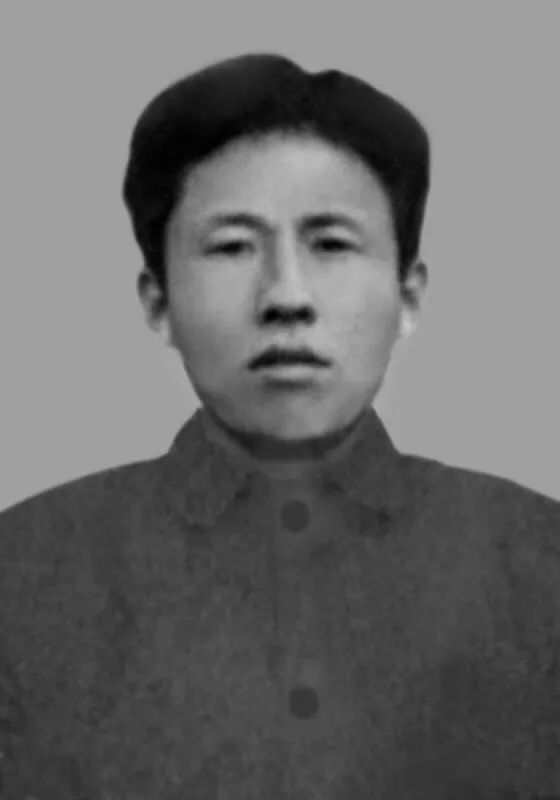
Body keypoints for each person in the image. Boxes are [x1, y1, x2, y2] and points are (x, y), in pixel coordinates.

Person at [0, 52, 559, 799]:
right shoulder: (22, 571)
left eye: (331, 243)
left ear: (409, 295)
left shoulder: (539, 560)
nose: (286, 296)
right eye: (233, 246)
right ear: (158, 302)